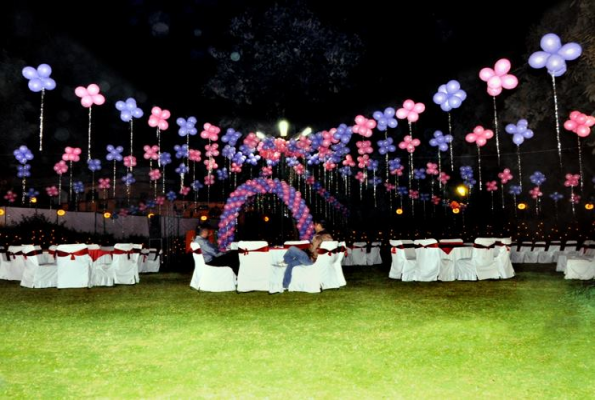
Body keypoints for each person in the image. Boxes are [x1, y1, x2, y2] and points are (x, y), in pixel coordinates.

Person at [282, 219, 333, 289]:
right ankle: (285, 285)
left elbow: (311, 249)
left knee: (292, 249)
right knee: (291, 264)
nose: (314, 226)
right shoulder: (329, 236)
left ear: (319, 225)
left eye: (315, 225)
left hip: (312, 261)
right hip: (321, 261)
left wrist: (308, 244)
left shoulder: (318, 236)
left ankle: (285, 261)